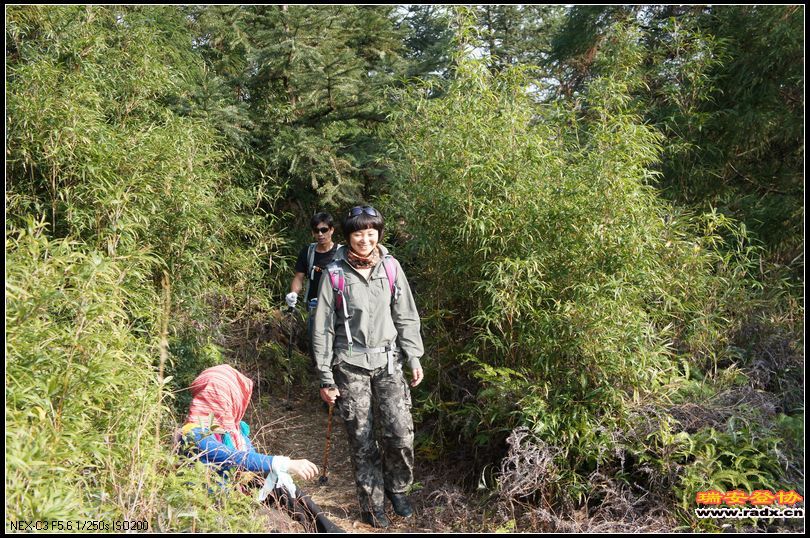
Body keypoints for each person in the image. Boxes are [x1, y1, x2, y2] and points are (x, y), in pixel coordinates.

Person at [311, 205, 425, 528]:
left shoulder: (390, 268)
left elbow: (405, 314)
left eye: (371, 232)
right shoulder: (335, 274)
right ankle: (372, 504)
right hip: (350, 365)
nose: (365, 239)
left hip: (389, 362)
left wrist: (413, 356)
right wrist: (325, 376)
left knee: (400, 432)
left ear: (379, 234)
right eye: (358, 233)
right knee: (362, 439)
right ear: (347, 237)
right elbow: (323, 329)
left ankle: (398, 488)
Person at [180, 364, 343, 533]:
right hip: (212, 511)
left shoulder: (232, 430)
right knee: (273, 473)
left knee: (276, 478)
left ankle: (329, 530)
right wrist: (284, 463)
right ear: (223, 397)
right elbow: (233, 457)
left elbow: (251, 460)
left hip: (234, 495)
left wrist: (277, 471)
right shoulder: (193, 434)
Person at [286, 213, 341, 356]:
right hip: (314, 306)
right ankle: (318, 372)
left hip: (338, 307)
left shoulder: (342, 253)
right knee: (316, 345)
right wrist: (293, 293)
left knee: (338, 345)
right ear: (312, 232)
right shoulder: (308, 252)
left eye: (324, 230)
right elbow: (299, 277)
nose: (320, 234)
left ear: (332, 230)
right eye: (316, 231)